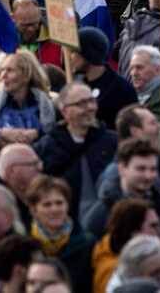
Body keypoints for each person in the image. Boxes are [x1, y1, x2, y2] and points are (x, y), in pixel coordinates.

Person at [35, 81, 118, 218]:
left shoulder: (112, 142)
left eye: (92, 101)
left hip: (109, 221)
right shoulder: (48, 147)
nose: (90, 107)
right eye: (82, 103)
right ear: (64, 112)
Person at [85, 138, 160, 240]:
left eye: (153, 169)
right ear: (122, 169)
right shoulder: (102, 212)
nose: (148, 176)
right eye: (141, 169)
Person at [25, 175, 95, 293]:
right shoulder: (24, 247)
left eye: (59, 203)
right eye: (47, 204)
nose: (55, 209)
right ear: (33, 209)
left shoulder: (87, 243)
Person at [69, 28, 138, 128]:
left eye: (73, 52)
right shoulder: (78, 87)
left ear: (88, 53)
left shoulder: (122, 90)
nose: (70, 57)